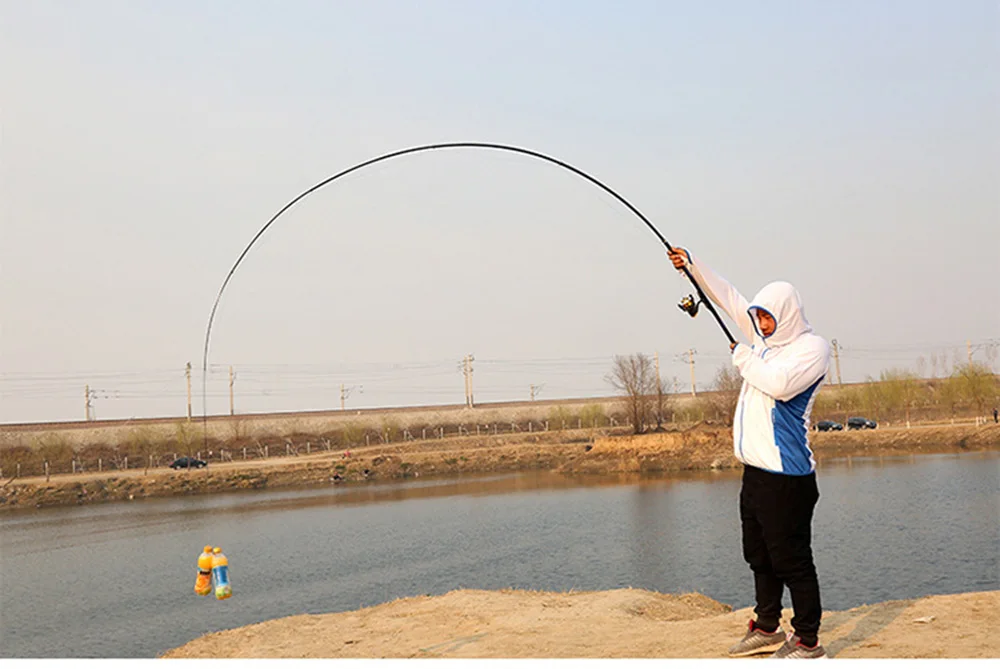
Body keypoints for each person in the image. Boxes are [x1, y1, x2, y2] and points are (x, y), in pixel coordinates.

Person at [668, 247, 831, 659]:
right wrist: (692, 266)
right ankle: (767, 626)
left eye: (767, 316)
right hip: (755, 474)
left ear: (787, 314)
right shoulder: (762, 343)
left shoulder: (812, 349)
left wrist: (742, 357)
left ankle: (808, 639)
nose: (759, 322)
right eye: (757, 316)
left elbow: (779, 385)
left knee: (792, 559)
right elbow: (728, 297)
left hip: (787, 476)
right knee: (759, 555)